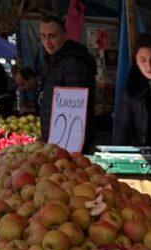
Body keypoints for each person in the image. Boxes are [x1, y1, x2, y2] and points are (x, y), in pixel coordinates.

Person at [38, 14, 97, 150]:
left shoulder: (73, 64)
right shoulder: (55, 60)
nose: (47, 42)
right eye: (43, 36)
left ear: (64, 36)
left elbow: (75, 113)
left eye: (52, 36)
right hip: (57, 141)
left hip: (68, 145)